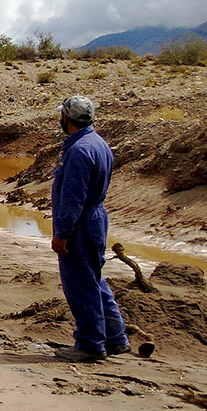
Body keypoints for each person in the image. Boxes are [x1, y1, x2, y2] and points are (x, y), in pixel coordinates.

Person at [50, 95, 129, 363]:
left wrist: (61, 234)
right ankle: (115, 337)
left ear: (66, 119)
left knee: (79, 284)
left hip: (81, 224)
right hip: (95, 219)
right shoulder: (99, 144)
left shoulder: (79, 151)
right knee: (94, 279)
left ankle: (90, 343)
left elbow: (72, 198)